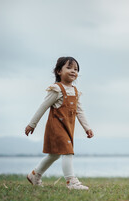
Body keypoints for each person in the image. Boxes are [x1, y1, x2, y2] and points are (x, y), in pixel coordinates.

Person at [25, 56, 94, 190]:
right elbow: (43, 107)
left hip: (68, 127)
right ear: (58, 71)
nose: (73, 71)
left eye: (76, 69)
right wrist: (32, 124)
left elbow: (79, 111)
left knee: (55, 155)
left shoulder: (75, 91)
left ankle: (35, 175)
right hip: (56, 127)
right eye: (69, 68)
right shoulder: (56, 89)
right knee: (68, 152)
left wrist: (87, 128)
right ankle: (71, 182)